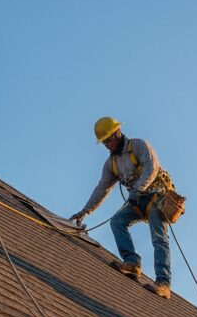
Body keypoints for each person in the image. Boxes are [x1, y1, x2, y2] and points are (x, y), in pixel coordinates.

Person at [70, 118, 175, 299]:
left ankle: (163, 283)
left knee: (158, 235)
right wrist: (85, 211)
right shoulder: (111, 165)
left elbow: (152, 167)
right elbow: (101, 188)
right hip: (137, 200)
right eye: (104, 143)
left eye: (108, 140)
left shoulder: (139, 146)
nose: (107, 146)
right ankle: (132, 263)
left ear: (117, 133)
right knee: (117, 222)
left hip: (156, 197)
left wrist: (138, 188)